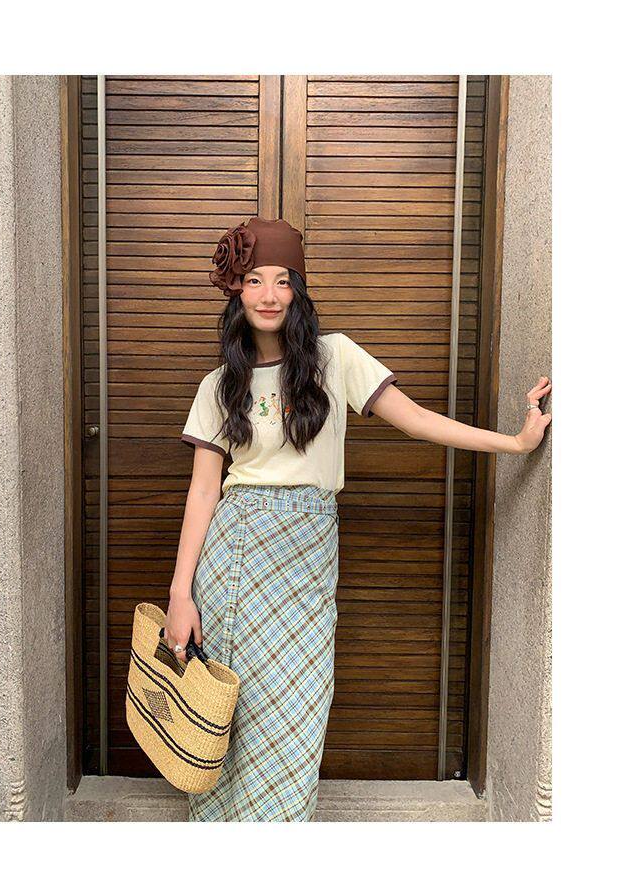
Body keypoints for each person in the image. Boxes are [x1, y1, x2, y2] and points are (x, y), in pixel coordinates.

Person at [165, 216, 551, 822]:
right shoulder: (218, 385)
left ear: (298, 290)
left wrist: (517, 443)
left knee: (297, 710)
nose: (269, 295)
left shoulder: (334, 356)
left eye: (283, 281)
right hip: (235, 562)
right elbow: (203, 491)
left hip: (308, 558)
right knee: (230, 714)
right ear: (237, 291)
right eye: (255, 280)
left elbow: (417, 420)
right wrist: (179, 594)